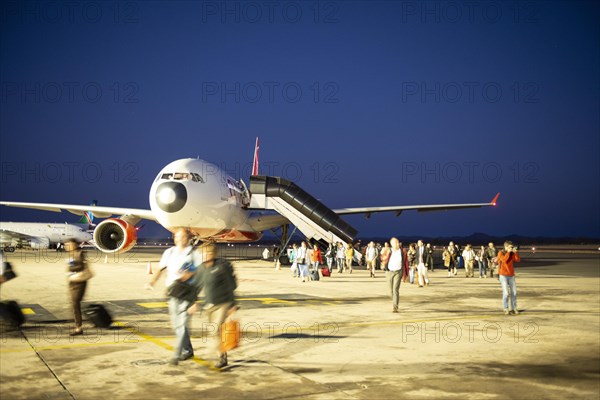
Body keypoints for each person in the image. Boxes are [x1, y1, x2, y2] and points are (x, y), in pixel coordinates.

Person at [147, 228, 202, 365]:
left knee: (182, 325)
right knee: (177, 325)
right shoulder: (169, 252)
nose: (179, 239)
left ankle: (176, 355)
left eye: (182, 237)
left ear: (188, 238)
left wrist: (196, 298)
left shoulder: (194, 254)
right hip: (173, 292)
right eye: (177, 237)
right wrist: (152, 282)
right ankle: (188, 350)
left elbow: (201, 275)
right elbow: (160, 269)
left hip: (188, 293)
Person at [188, 243, 238, 368]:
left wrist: (232, 304)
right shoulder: (200, 269)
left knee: (214, 330)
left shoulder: (222, 266)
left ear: (214, 254)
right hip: (209, 305)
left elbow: (231, 285)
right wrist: (195, 302)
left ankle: (220, 357)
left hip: (223, 303)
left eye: (208, 253)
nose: (205, 255)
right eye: (203, 253)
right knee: (216, 332)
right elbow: (196, 286)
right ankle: (223, 354)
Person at [64, 239, 91, 336]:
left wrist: (70, 267)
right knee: (74, 304)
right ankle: (77, 325)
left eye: (69, 244)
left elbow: (80, 266)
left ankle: (79, 328)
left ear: (75, 245)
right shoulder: (72, 254)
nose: (66, 246)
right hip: (73, 282)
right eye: (65, 245)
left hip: (79, 282)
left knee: (75, 303)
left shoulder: (79, 253)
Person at [497, 241, 521, 315]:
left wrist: (515, 252)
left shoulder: (511, 253)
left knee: (514, 292)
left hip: (511, 275)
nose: (511, 248)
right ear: (506, 247)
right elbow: (504, 260)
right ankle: (506, 308)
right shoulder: (500, 253)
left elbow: (517, 260)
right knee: (506, 293)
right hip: (503, 275)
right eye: (510, 247)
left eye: (512, 247)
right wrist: (508, 252)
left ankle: (514, 308)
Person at [387, 237, 408, 313]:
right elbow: (384, 258)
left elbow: (405, 262)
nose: (397, 244)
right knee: (390, 290)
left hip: (398, 272)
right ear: (392, 244)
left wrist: (406, 273)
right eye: (395, 242)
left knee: (395, 289)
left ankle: (395, 306)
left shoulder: (402, 251)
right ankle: (394, 301)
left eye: (398, 242)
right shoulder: (389, 250)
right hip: (389, 272)